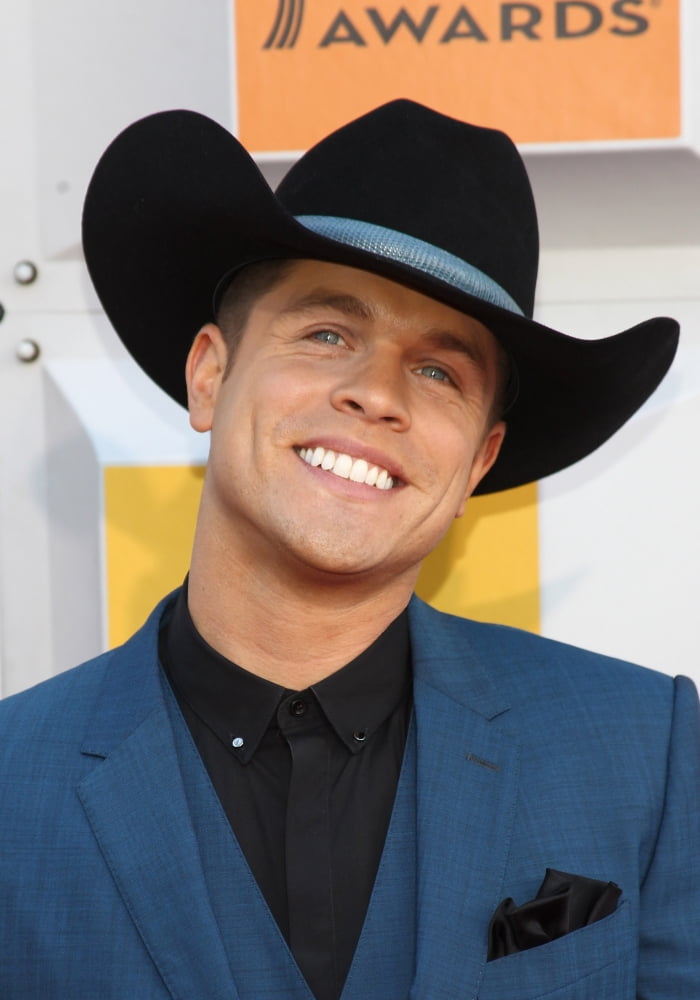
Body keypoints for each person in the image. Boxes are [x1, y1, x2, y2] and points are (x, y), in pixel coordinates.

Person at [0, 100, 697, 1000]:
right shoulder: (11, 785)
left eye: (439, 371)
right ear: (210, 374)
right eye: (329, 333)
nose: (376, 395)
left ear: (480, 458)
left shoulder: (646, 751)